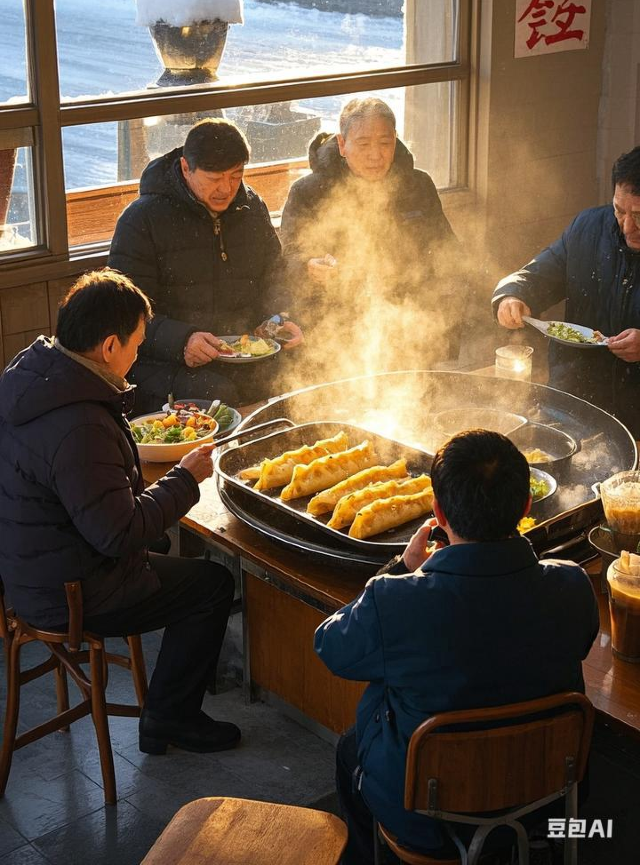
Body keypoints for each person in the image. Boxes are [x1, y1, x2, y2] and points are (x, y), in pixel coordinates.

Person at [315, 430, 599, 864]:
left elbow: (331, 647)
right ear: (526, 506)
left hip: (428, 819)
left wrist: (400, 570)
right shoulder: (572, 586)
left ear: (438, 512)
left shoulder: (395, 601)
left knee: (350, 748)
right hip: (544, 800)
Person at [0, 268, 240, 756]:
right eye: (136, 345)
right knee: (212, 585)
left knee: (166, 547)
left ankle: (168, 708)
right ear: (110, 346)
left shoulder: (34, 378)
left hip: (28, 572)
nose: (136, 356)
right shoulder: (79, 424)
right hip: (71, 593)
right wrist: (184, 478)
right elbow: (118, 534)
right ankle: (170, 719)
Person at [108, 117, 303, 413]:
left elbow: (276, 277)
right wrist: (182, 341)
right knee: (217, 393)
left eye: (236, 176)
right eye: (214, 178)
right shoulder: (141, 220)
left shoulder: (251, 207)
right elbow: (123, 313)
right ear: (186, 167)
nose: (226, 188)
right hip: (166, 359)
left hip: (240, 350)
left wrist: (279, 318)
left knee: (301, 370)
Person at [279, 96, 462, 370]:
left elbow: (448, 251)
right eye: (363, 144)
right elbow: (289, 257)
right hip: (337, 320)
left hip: (407, 315)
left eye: (385, 143)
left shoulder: (418, 185)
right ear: (342, 144)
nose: (375, 155)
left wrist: (441, 309)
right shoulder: (309, 192)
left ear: (395, 140)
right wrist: (308, 266)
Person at [492, 146, 640, 436]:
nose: (627, 227)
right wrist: (512, 294)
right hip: (574, 401)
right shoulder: (588, 227)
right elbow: (539, 273)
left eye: (639, 216)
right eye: (619, 211)